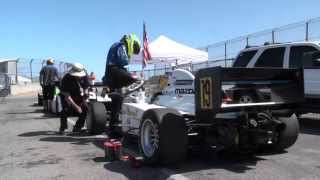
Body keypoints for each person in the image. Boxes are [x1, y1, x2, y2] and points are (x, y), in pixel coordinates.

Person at [102, 34, 141, 136]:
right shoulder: (120, 45)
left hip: (111, 74)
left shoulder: (116, 45)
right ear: (132, 42)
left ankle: (113, 129)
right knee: (135, 78)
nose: (132, 52)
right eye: (134, 48)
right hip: (114, 71)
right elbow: (123, 61)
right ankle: (124, 92)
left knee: (117, 103)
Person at [59, 63, 90, 134]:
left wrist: (85, 95)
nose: (78, 77)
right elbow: (67, 96)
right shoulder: (66, 78)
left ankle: (78, 127)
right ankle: (63, 128)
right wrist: (76, 107)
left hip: (79, 96)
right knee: (65, 110)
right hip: (68, 97)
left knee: (85, 109)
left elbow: (86, 88)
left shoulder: (85, 76)